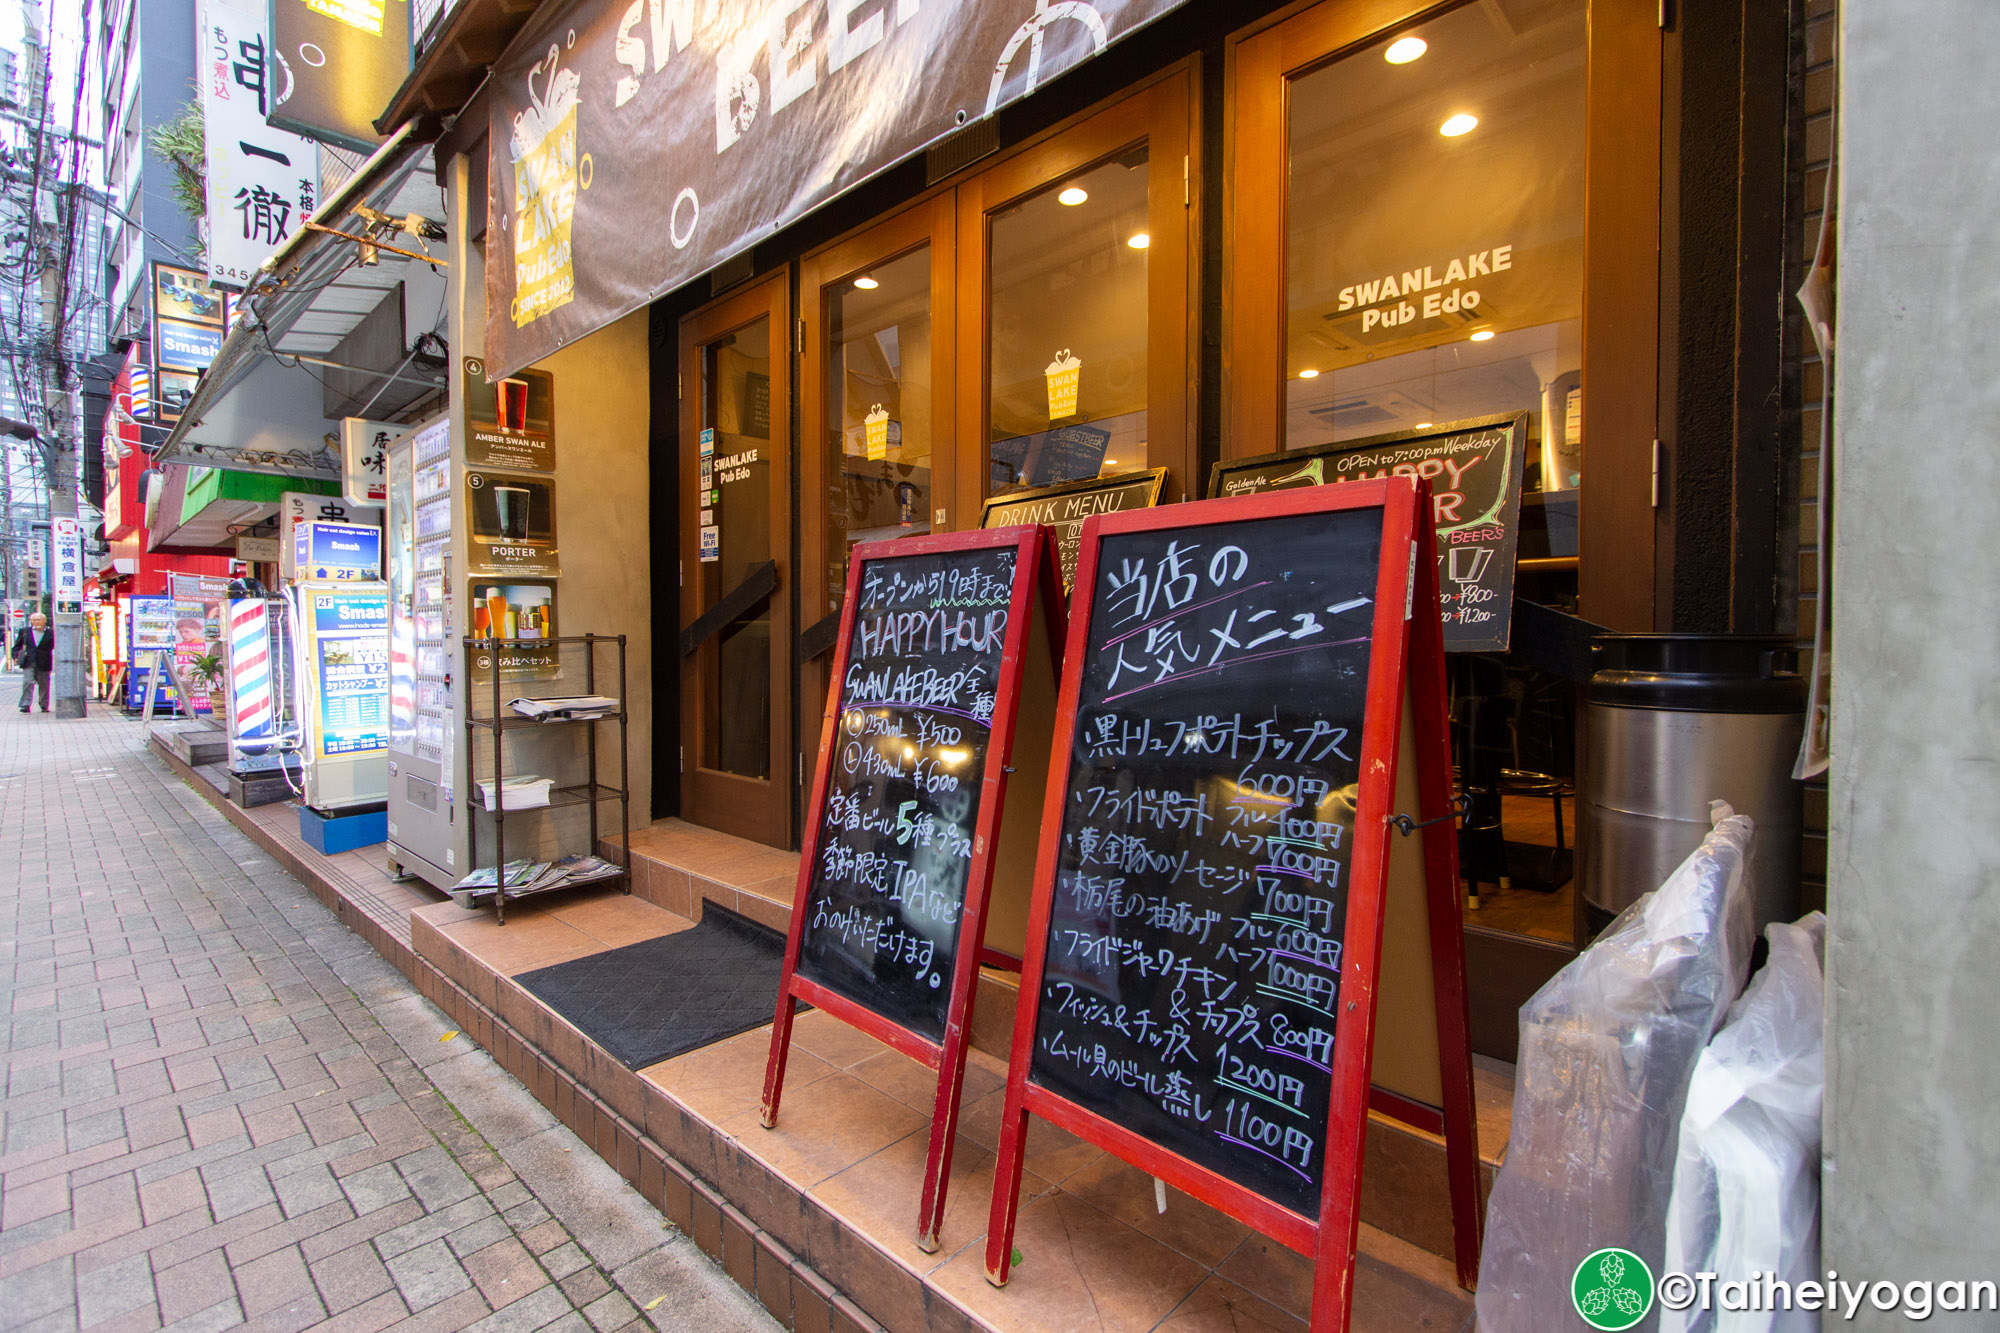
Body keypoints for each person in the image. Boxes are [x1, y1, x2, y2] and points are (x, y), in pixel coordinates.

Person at [13, 611, 53, 713]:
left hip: (44, 661)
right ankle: (25, 704)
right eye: (34, 620)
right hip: (28, 660)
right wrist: (14, 656)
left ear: (44, 621)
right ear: (31, 621)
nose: (36, 622)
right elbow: (17, 645)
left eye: (38, 619)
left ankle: (44, 705)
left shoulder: (50, 633)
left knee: (44, 684)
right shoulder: (25, 631)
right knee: (28, 682)